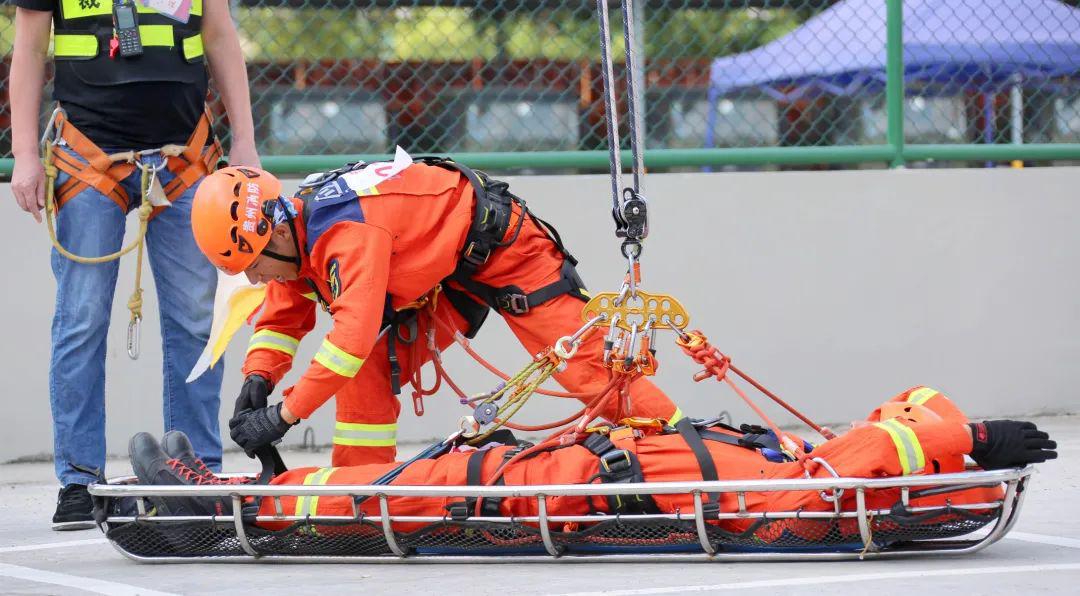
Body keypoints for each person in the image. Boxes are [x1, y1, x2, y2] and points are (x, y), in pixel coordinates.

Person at [189, 158, 684, 467]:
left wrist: (284, 415)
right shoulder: (293, 233)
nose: (255, 279)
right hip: (443, 267)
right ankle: (362, 495)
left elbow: (350, 341)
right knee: (367, 379)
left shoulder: (345, 233)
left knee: (594, 372)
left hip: (503, 247)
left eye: (253, 266)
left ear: (272, 233)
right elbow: (281, 318)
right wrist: (258, 381)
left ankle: (692, 455)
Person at [126, 386, 1057, 539]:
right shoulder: (822, 461)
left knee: (401, 494)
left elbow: (857, 470)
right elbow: (888, 432)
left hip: (572, 485)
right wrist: (956, 433)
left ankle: (225, 506)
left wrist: (966, 443)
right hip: (582, 460)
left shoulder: (825, 491)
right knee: (408, 482)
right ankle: (254, 494)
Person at [9, 0, 260, 530]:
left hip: (186, 159)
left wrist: (245, 142)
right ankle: (79, 481)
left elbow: (219, 37)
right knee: (81, 320)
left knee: (196, 319)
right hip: (86, 159)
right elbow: (28, 50)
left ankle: (196, 473)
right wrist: (26, 155)